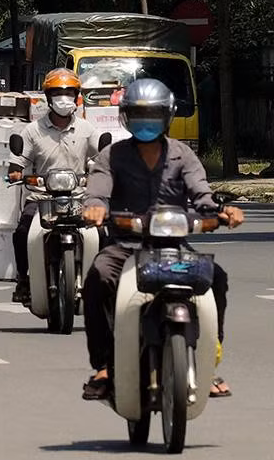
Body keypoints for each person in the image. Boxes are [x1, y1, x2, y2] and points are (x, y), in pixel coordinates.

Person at [80, 78, 244, 401]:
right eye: (139, 115)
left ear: (167, 116)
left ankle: (207, 362)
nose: (146, 123)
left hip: (173, 247)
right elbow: (98, 191)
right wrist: (96, 208)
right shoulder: (111, 156)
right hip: (125, 247)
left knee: (218, 279)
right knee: (97, 277)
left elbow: (202, 195)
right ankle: (102, 366)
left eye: (153, 115)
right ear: (127, 117)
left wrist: (222, 212)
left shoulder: (183, 155)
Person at [8, 68, 102, 305]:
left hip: (78, 197)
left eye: (69, 92)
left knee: (103, 232)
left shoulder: (87, 130)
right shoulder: (32, 131)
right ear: (48, 97)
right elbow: (17, 161)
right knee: (21, 233)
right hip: (41, 198)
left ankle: (103, 282)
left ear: (76, 96)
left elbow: (103, 155)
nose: (64, 98)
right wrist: (15, 171)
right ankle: (24, 280)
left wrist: (107, 170)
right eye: (58, 93)